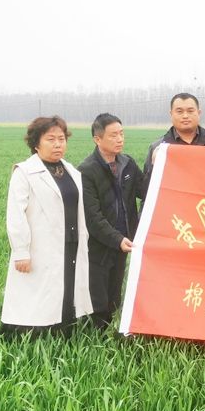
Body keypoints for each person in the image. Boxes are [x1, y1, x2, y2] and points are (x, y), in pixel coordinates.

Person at [0, 116, 93, 338]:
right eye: (51, 139)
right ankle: (28, 336)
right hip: (40, 246)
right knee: (36, 294)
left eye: (61, 139)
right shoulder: (25, 172)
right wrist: (21, 251)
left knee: (65, 290)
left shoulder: (71, 171)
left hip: (70, 243)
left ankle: (62, 333)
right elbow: (16, 215)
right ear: (36, 143)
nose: (58, 144)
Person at [78, 113, 144, 329]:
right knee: (98, 297)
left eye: (121, 134)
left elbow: (146, 191)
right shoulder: (87, 170)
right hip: (98, 246)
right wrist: (116, 239)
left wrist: (160, 164)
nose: (120, 139)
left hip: (123, 243)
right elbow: (92, 217)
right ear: (97, 139)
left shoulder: (127, 164)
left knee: (114, 294)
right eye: (113, 135)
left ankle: (108, 334)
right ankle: (91, 337)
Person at [142, 93, 205, 195]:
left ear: (199, 113)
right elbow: (147, 190)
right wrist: (154, 166)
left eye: (190, 111)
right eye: (179, 111)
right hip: (174, 202)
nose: (185, 116)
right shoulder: (159, 148)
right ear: (171, 114)